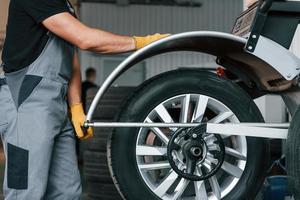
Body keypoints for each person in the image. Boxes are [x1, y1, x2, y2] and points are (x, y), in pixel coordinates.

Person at [0, 0, 169, 199]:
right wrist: (142, 43)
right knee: (26, 191)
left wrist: (76, 107)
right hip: (27, 103)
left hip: (57, 104)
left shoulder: (64, 5)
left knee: (67, 191)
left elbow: (70, 58)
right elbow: (84, 39)